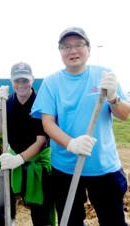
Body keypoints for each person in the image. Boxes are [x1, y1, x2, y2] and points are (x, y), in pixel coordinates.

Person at [31, 27, 130, 225]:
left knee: (114, 221)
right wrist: (71, 144)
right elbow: (47, 123)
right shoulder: (52, 83)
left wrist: (113, 97)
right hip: (66, 167)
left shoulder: (105, 76)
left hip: (103, 166)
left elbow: (124, 115)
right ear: (60, 53)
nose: (72, 51)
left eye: (78, 45)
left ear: (89, 50)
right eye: (66, 47)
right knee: (70, 221)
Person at [0, 62, 55, 226]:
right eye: (17, 81)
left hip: (37, 161)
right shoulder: (7, 102)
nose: (21, 85)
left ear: (32, 80)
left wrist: (20, 159)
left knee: (41, 212)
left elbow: (42, 142)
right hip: (12, 158)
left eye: (25, 80)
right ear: (12, 82)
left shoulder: (41, 103)